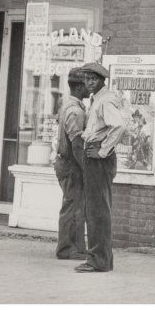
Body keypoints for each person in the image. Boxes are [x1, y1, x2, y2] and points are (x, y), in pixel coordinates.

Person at [75, 61, 128, 273]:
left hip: (97, 157)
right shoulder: (99, 99)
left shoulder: (104, 101)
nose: (88, 82)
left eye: (93, 79)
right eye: (86, 79)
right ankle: (102, 259)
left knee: (97, 210)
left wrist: (102, 150)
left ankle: (98, 260)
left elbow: (120, 125)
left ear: (101, 80)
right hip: (95, 153)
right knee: (98, 208)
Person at [53, 68, 90, 260]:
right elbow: (76, 144)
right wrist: (86, 168)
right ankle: (67, 249)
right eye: (85, 84)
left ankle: (75, 247)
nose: (89, 87)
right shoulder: (75, 111)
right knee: (73, 206)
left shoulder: (68, 105)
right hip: (71, 164)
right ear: (77, 87)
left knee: (75, 205)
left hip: (66, 163)